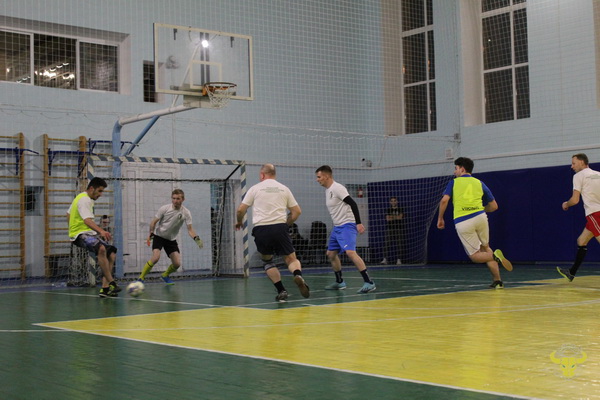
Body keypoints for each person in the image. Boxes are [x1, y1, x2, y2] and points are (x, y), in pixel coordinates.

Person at [235, 163, 310, 302]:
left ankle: (281, 290)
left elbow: (240, 210)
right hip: (280, 227)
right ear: (274, 174)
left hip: (261, 229)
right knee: (291, 259)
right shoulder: (284, 189)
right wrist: (286, 224)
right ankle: (297, 274)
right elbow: (297, 212)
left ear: (262, 175)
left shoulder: (255, 188)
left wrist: (239, 221)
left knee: (267, 261)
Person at [437, 157, 513, 289]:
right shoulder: (480, 183)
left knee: (475, 256)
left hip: (463, 220)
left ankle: (495, 257)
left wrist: (440, 218)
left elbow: (444, 201)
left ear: (462, 169)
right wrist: (480, 209)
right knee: (486, 248)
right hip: (481, 217)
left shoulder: (454, 183)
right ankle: (498, 281)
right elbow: (494, 206)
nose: (454, 172)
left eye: (456, 168)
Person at [315, 165, 375, 293]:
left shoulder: (338, 188)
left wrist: (358, 223)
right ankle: (340, 282)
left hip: (347, 225)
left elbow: (353, 203)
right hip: (337, 227)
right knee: (331, 254)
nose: (317, 179)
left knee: (350, 253)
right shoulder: (328, 190)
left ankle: (369, 282)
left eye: (319, 177)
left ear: (326, 176)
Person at [67, 177, 121, 298]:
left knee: (112, 252)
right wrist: (101, 231)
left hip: (88, 233)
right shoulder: (85, 200)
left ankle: (105, 289)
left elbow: (68, 213)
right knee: (101, 248)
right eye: (100, 191)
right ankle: (112, 282)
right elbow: (87, 220)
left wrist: (71, 227)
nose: (101, 194)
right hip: (80, 235)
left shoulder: (80, 197)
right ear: (92, 188)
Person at [138, 189, 203, 284]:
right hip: (159, 236)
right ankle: (141, 278)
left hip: (171, 240)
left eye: (178, 199)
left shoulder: (186, 212)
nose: (175, 201)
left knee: (177, 264)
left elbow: (190, 230)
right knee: (155, 257)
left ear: (183, 199)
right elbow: (153, 222)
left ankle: (165, 275)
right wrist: (151, 233)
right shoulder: (164, 208)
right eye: (173, 198)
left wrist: (197, 239)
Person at [557, 153, 600, 282]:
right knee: (581, 241)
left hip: (595, 213)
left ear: (582, 162)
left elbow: (575, 200)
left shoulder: (578, 176)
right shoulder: (598, 174)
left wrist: (566, 204)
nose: (572, 166)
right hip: (595, 214)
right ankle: (572, 272)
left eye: (573, 163)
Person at [380, 196, 404, 265]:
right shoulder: (388, 210)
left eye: (394, 201)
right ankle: (385, 259)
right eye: (392, 201)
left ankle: (399, 260)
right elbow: (388, 219)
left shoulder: (400, 209)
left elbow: (400, 217)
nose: (393, 202)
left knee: (399, 244)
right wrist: (396, 217)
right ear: (390, 202)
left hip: (399, 228)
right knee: (387, 244)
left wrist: (392, 217)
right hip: (390, 228)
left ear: (397, 202)